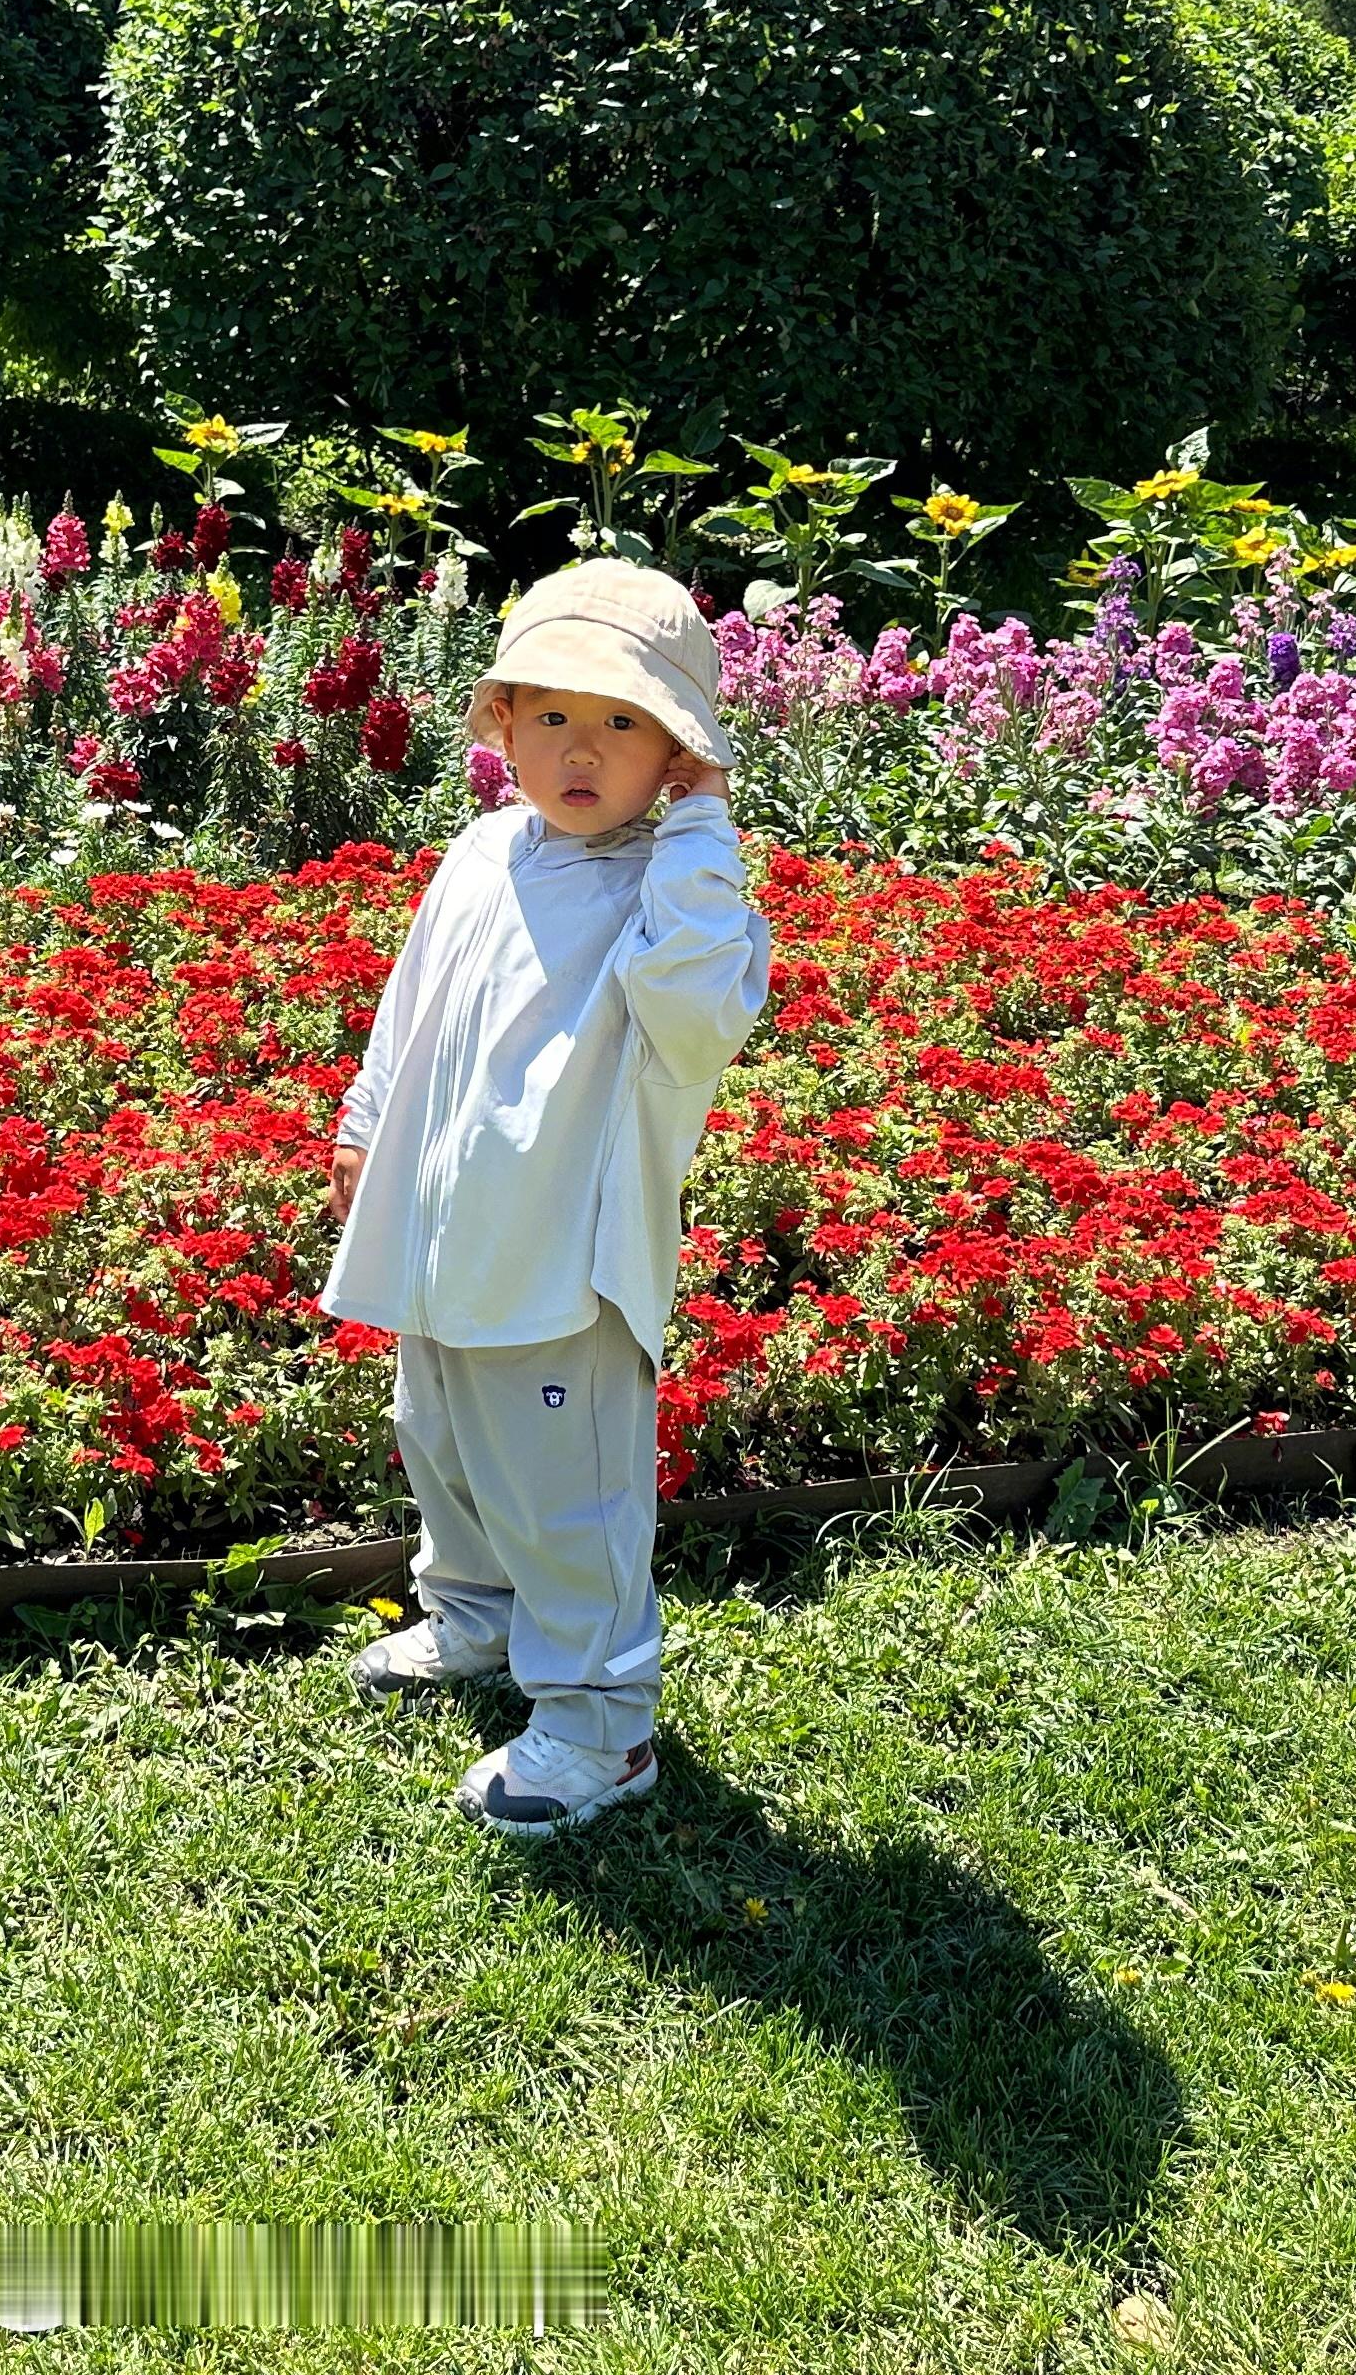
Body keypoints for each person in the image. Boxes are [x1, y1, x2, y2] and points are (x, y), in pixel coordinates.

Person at [319, 556, 776, 1837]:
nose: (583, 749)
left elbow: (696, 1006)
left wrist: (701, 829)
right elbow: (412, 1005)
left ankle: (597, 1719)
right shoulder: (479, 854)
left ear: (678, 752)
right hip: (449, 1225)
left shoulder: (675, 895)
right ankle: (477, 1615)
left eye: (624, 722)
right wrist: (366, 1123)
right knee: (446, 1437)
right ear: (504, 723)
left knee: (560, 1484)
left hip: (562, 1255)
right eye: (554, 715)